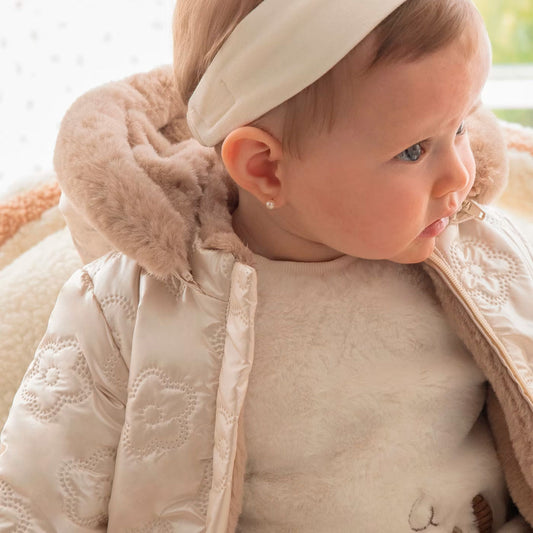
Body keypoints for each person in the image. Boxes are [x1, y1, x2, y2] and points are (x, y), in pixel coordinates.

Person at [1, 0, 533, 530]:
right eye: (415, 151)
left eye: (463, 125)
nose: (460, 176)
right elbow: (35, 500)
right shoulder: (130, 309)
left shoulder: (479, 254)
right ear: (265, 168)